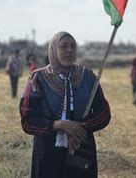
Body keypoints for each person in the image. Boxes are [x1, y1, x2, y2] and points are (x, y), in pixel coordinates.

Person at [20, 32, 111, 178]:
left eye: (73, 46)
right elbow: (28, 122)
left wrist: (79, 128)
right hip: (48, 155)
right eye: (64, 46)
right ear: (53, 50)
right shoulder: (38, 79)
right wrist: (59, 125)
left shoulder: (87, 77)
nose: (69, 50)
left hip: (81, 151)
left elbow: (104, 113)